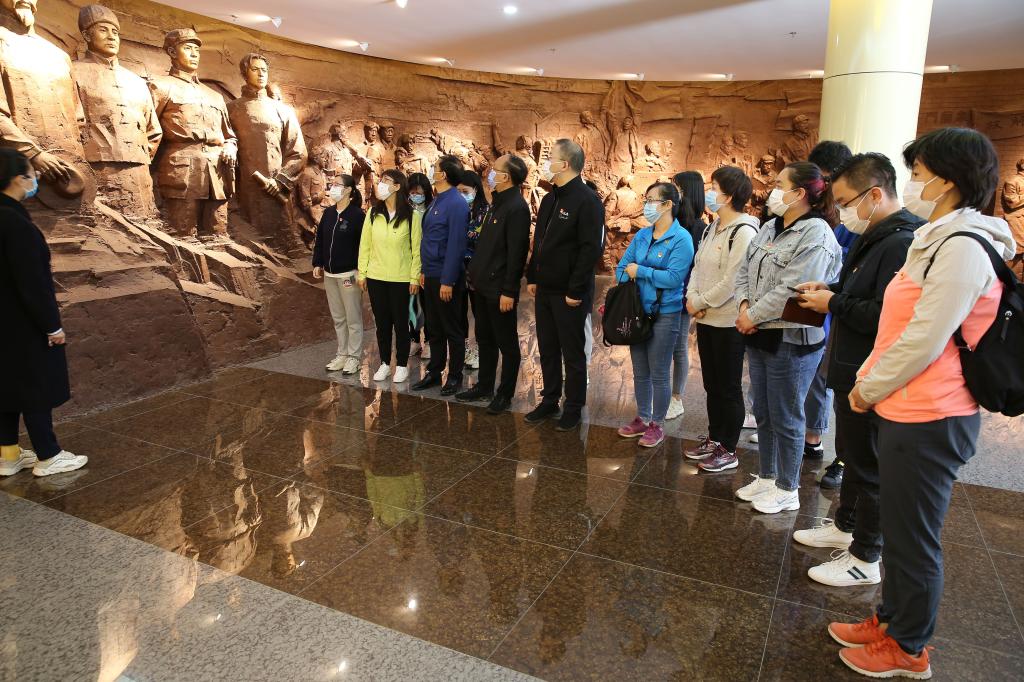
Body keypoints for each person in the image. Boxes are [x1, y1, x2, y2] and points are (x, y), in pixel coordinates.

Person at [829, 128, 1013, 679]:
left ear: (949, 180)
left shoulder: (963, 247)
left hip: (933, 414)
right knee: (902, 528)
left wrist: (868, 387)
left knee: (914, 538)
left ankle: (908, 647)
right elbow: (900, 327)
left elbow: (925, 338)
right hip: (906, 406)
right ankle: (891, 620)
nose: (912, 183)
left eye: (919, 173)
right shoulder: (938, 237)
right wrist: (872, 381)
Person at [791, 153, 924, 587]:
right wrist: (830, 289)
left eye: (847, 202)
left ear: (874, 194)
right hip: (850, 365)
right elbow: (857, 290)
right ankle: (844, 524)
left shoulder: (901, 241)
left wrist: (834, 302)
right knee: (849, 451)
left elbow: (887, 313)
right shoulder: (874, 235)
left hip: (871, 370)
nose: (844, 211)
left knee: (868, 465)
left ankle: (866, 555)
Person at [733, 161, 842, 514]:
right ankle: (767, 476)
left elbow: (792, 288)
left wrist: (751, 316)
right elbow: (744, 272)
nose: (773, 190)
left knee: (787, 415)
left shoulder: (816, 234)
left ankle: (787, 487)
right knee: (764, 411)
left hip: (792, 338)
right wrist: (745, 306)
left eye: (780, 184)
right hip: (759, 333)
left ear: (799, 193)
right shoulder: (769, 226)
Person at [0, 149, 87, 478]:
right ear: (16, 178)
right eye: (30, 173)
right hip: (23, 323)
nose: (35, 178)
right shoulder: (15, 223)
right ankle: (48, 455)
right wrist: (51, 326)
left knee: (5, 386)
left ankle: (7, 454)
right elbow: (32, 283)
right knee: (34, 387)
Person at [525, 139, 604, 431]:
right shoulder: (550, 199)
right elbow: (540, 241)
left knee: (572, 352)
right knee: (547, 347)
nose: (547, 164)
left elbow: (590, 249)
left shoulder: (587, 200)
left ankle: (573, 406)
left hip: (570, 292)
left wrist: (575, 290)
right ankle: (550, 400)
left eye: (551, 158)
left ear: (565, 164)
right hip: (545, 288)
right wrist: (533, 275)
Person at [684, 166, 759, 472]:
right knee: (711, 384)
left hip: (728, 322)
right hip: (705, 319)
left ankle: (728, 448)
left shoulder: (744, 231)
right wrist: (692, 299)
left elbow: (733, 281)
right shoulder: (711, 227)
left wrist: (700, 301)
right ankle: (714, 438)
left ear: (728, 196)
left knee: (728, 387)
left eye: (713, 187)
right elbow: (697, 266)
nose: (709, 192)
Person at [615, 183, 695, 447]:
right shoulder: (642, 235)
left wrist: (641, 272)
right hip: (637, 311)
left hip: (665, 314)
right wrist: (639, 272)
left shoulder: (681, 238)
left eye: (651, 200)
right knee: (640, 371)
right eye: (646, 199)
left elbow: (673, 278)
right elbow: (621, 270)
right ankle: (642, 417)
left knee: (659, 371)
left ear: (668, 204)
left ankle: (657, 424)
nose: (646, 205)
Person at [456, 154, 531, 414]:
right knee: (485, 338)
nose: (490, 173)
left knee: (506, 343)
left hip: (500, 290)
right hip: (481, 286)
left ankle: (504, 394)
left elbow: (516, 254)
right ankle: (484, 386)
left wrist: (509, 290)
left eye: (495, 170)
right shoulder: (496, 203)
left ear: (506, 177)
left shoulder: (517, 208)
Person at [802, 141, 854, 484]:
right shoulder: (819, 213)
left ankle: (839, 455)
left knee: (832, 383)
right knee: (816, 379)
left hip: (841, 317)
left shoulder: (853, 222)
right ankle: (813, 439)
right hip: (818, 308)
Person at [357, 169, 422, 385]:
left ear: (397, 186)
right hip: (376, 277)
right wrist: (362, 272)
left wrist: (414, 278)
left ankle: (401, 365)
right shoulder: (373, 213)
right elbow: (365, 245)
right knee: (382, 324)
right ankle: (385, 363)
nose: (381, 184)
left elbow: (416, 250)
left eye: (386, 181)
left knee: (401, 324)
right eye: (381, 180)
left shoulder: (412, 216)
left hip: (401, 278)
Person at [412, 155, 469, 396]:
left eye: (435, 168)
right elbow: (430, 238)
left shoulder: (456, 203)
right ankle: (435, 371)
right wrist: (425, 271)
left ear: (443, 174)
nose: (432, 171)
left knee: (452, 329)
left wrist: (448, 280)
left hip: (447, 278)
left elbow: (456, 245)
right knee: (434, 327)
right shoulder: (437, 200)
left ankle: (455, 376)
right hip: (431, 274)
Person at [312, 174, 366, 375]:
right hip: (330, 275)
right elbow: (320, 240)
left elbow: (363, 245)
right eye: (332, 184)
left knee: (353, 318)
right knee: (338, 317)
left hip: (349, 275)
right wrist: (318, 262)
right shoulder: (328, 213)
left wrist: (361, 270)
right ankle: (342, 354)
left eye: (337, 185)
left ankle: (354, 357)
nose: (332, 188)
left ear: (349, 190)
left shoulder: (357, 215)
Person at [667, 170, 707, 420]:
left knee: (679, 346)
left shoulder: (699, 228)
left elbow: (694, 267)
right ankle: (662, 393)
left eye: (677, 188)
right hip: (660, 294)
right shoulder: (669, 219)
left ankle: (676, 398)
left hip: (681, 295)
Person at [457, 170, 488, 371]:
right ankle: (465, 348)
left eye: (465, 191)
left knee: (479, 313)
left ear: (476, 190)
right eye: (458, 191)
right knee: (459, 312)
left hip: (477, 272)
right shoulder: (456, 209)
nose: (461, 195)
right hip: (457, 270)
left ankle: (480, 351)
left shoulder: (485, 211)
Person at [406, 172, 433, 359]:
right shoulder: (405, 211)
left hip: (428, 264)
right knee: (411, 305)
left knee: (427, 305)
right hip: (408, 264)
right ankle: (414, 339)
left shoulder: (432, 209)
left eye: (419, 192)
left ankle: (429, 340)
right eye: (412, 192)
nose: (415, 196)